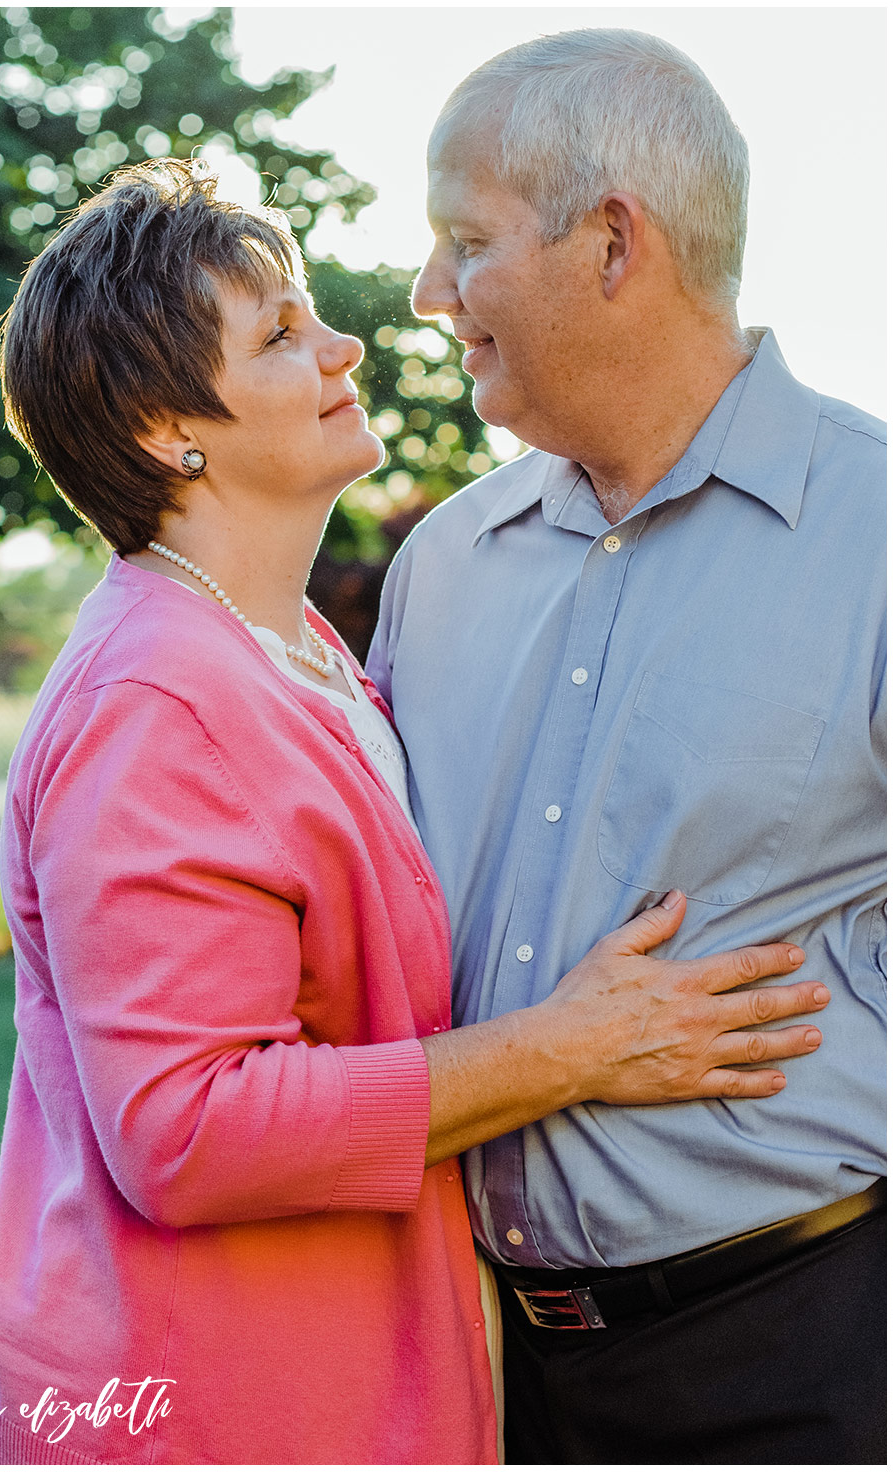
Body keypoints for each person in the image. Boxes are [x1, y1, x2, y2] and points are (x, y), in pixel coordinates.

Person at [0, 158, 830, 1468]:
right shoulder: (156, 704)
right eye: (281, 334)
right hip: (193, 1409)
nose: (343, 343)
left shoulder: (286, 647)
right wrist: (572, 1049)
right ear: (160, 430)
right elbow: (187, 1131)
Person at [367, 28, 886, 1466]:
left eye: (461, 244)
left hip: (810, 1349)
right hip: (479, 1359)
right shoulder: (445, 567)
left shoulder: (880, 530)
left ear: (611, 241)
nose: (426, 297)